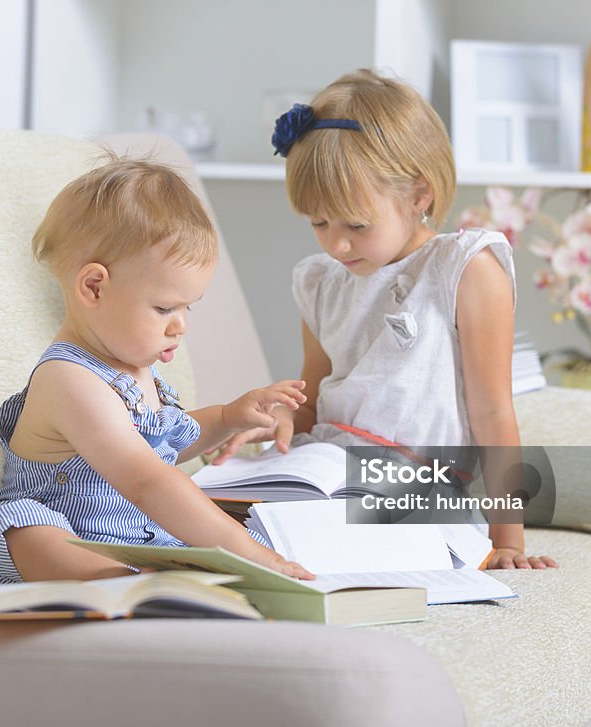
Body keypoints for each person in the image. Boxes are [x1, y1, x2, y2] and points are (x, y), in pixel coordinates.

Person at [212, 69, 557, 570]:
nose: (336, 243)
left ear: (419, 194)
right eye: (318, 222)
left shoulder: (462, 268)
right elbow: (311, 401)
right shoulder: (320, 282)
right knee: (205, 513)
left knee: (311, 540)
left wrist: (509, 543)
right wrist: (283, 417)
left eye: (355, 224)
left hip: (414, 488)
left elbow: (493, 414)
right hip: (324, 468)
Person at [0, 155, 314, 584]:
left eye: (187, 307)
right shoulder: (68, 379)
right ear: (94, 287)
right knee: (27, 528)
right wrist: (245, 552)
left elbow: (164, 448)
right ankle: (121, 586)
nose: (181, 326)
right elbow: (146, 479)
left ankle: (145, 583)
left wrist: (228, 418)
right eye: (164, 308)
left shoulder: (135, 369)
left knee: (207, 548)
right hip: (69, 534)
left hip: (136, 541)